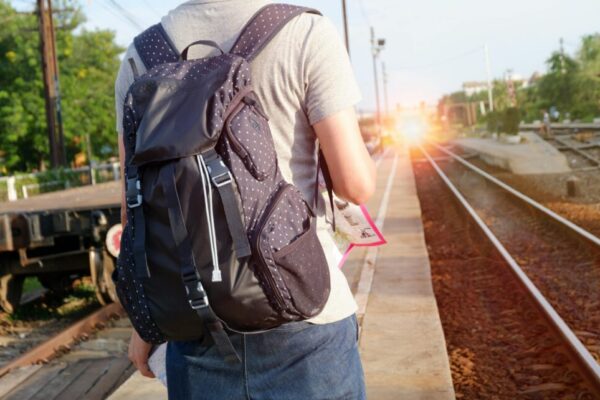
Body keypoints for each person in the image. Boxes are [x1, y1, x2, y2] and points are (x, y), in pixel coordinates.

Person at [114, 1, 375, 399]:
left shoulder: (139, 57)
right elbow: (356, 184)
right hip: (306, 317)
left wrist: (144, 325)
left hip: (196, 321)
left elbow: (137, 214)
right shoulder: (304, 31)